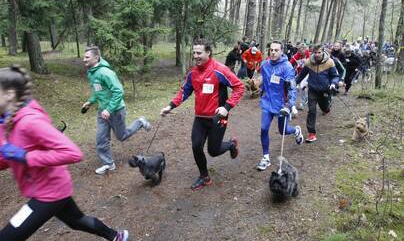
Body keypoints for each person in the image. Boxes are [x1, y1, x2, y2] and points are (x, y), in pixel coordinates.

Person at [0, 65, 128, 241]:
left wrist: (25, 157)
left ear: (9, 94)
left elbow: (73, 153)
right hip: (48, 186)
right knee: (77, 221)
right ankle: (117, 236)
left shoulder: (29, 122)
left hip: (48, 192)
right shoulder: (8, 121)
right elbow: (8, 155)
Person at [160, 38, 244, 191]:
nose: (196, 56)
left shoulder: (220, 70)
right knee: (196, 146)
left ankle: (231, 145)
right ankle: (204, 176)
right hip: (200, 117)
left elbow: (239, 87)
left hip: (218, 117)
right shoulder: (193, 73)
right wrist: (170, 106)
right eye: (194, 53)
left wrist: (226, 107)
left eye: (199, 53)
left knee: (213, 150)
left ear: (208, 52)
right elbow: (184, 91)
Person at [82, 46, 151, 175]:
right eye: (84, 57)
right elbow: (98, 90)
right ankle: (108, 163)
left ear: (96, 58)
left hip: (116, 110)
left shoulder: (105, 72)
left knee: (122, 136)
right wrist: (90, 101)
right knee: (101, 138)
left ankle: (140, 122)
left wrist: (109, 109)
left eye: (87, 57)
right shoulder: (92, 72)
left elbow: (119, 91)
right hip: (102, 111)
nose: (83, 59)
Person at [257, 41, 303, 171]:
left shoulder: (287, 67)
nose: (273, 52)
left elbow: (292, 87)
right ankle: (265, 157)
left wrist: (290, 104)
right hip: (267, 102)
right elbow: (263, 81)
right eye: (271, 50)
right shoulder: (264, 65)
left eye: (276, 50)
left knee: (283, 130)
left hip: (282, 104)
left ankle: (296, 130)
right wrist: (259, 87)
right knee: (264, 129)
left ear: (282, 51)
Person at [296, 44, 339, 142]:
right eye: (315, 52)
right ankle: (311, 133)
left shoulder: (330, 62)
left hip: (325, 90)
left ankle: (327, 109)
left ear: (323, 52)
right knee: (311, 110)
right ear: (312, 52)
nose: (317, 54)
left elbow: (335, 76)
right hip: (312, 90)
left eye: (319, 52)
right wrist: (294, 83)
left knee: (325, 107)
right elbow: (301, 75)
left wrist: (333, 83)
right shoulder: (309, 62)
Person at [290, 43, 310, 110]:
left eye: (301, 50)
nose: (299, 52)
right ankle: (304, 98)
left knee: (302, 86)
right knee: (295, 86)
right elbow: (290, 64)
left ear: (304, 49)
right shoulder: (296, 56)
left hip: (308, 73)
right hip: (299, 74)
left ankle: (302, 102)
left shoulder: (309, 55)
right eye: (298, 50)